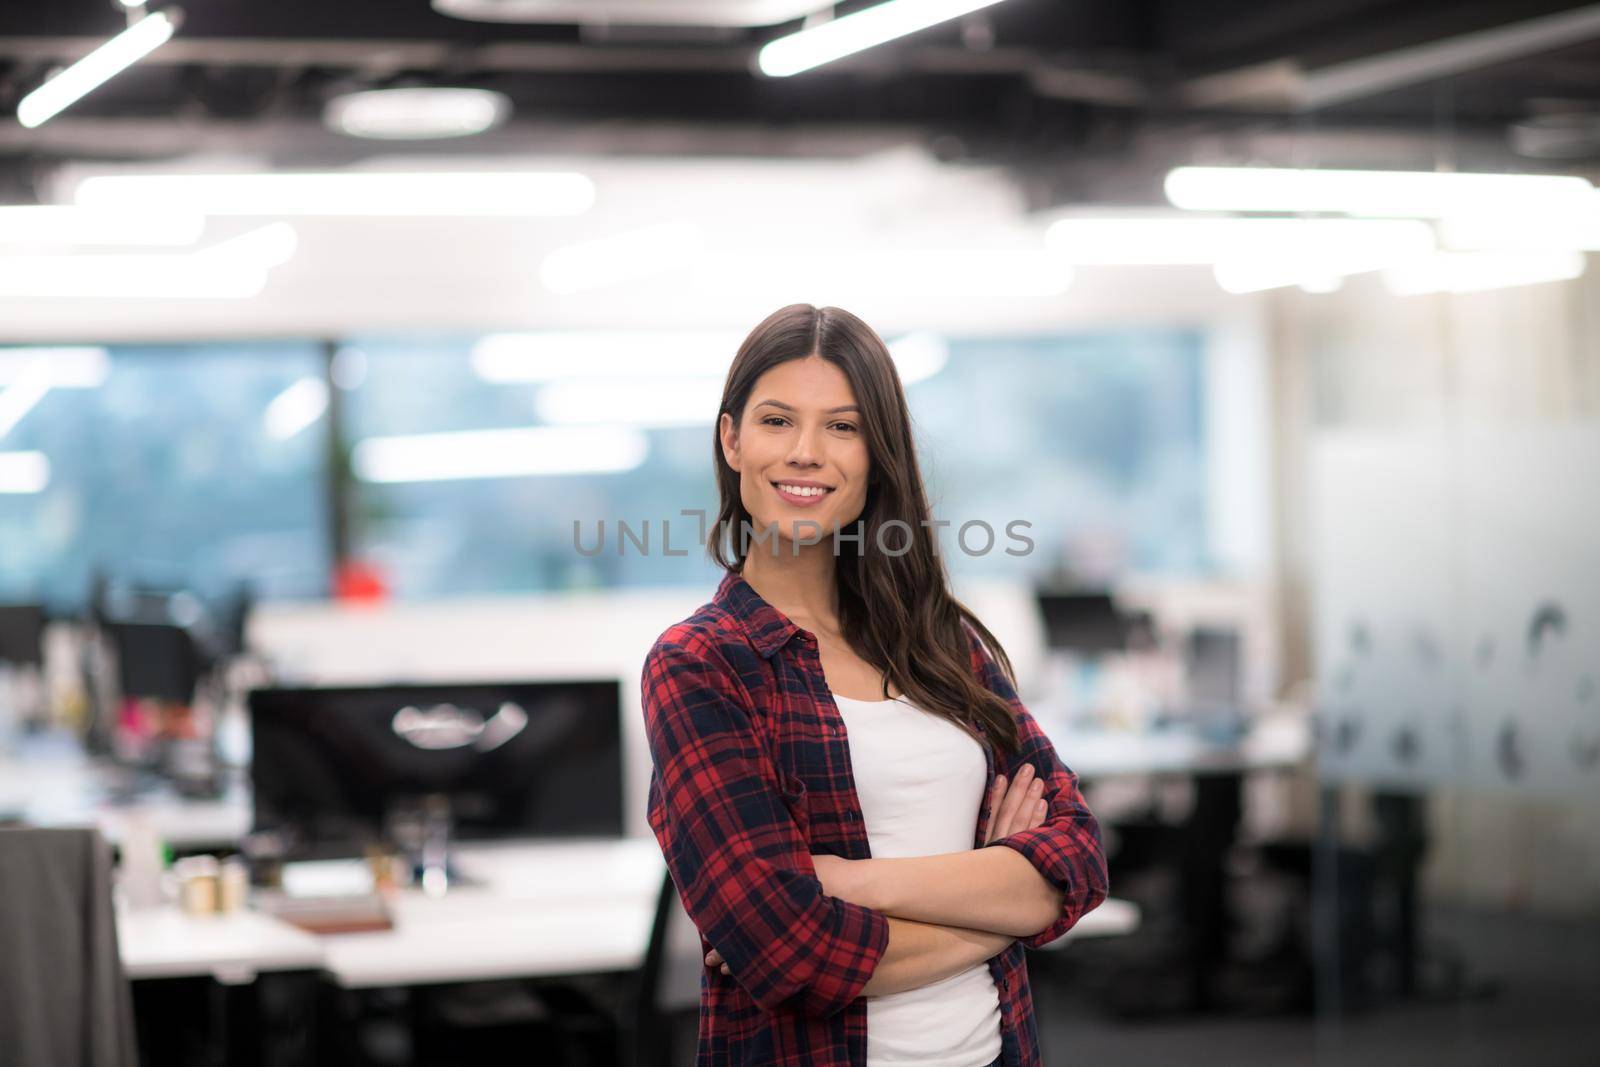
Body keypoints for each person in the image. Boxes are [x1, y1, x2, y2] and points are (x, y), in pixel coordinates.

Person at [641, 303, 1108, 1067]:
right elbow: (788, 954)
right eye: (777, 420)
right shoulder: (701, 664)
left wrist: (851, 881)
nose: (806, 453)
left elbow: (1078, 859)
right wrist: (1004, 899)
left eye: (843, 426)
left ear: (877, 453)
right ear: (732, 439)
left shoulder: (942, 641)